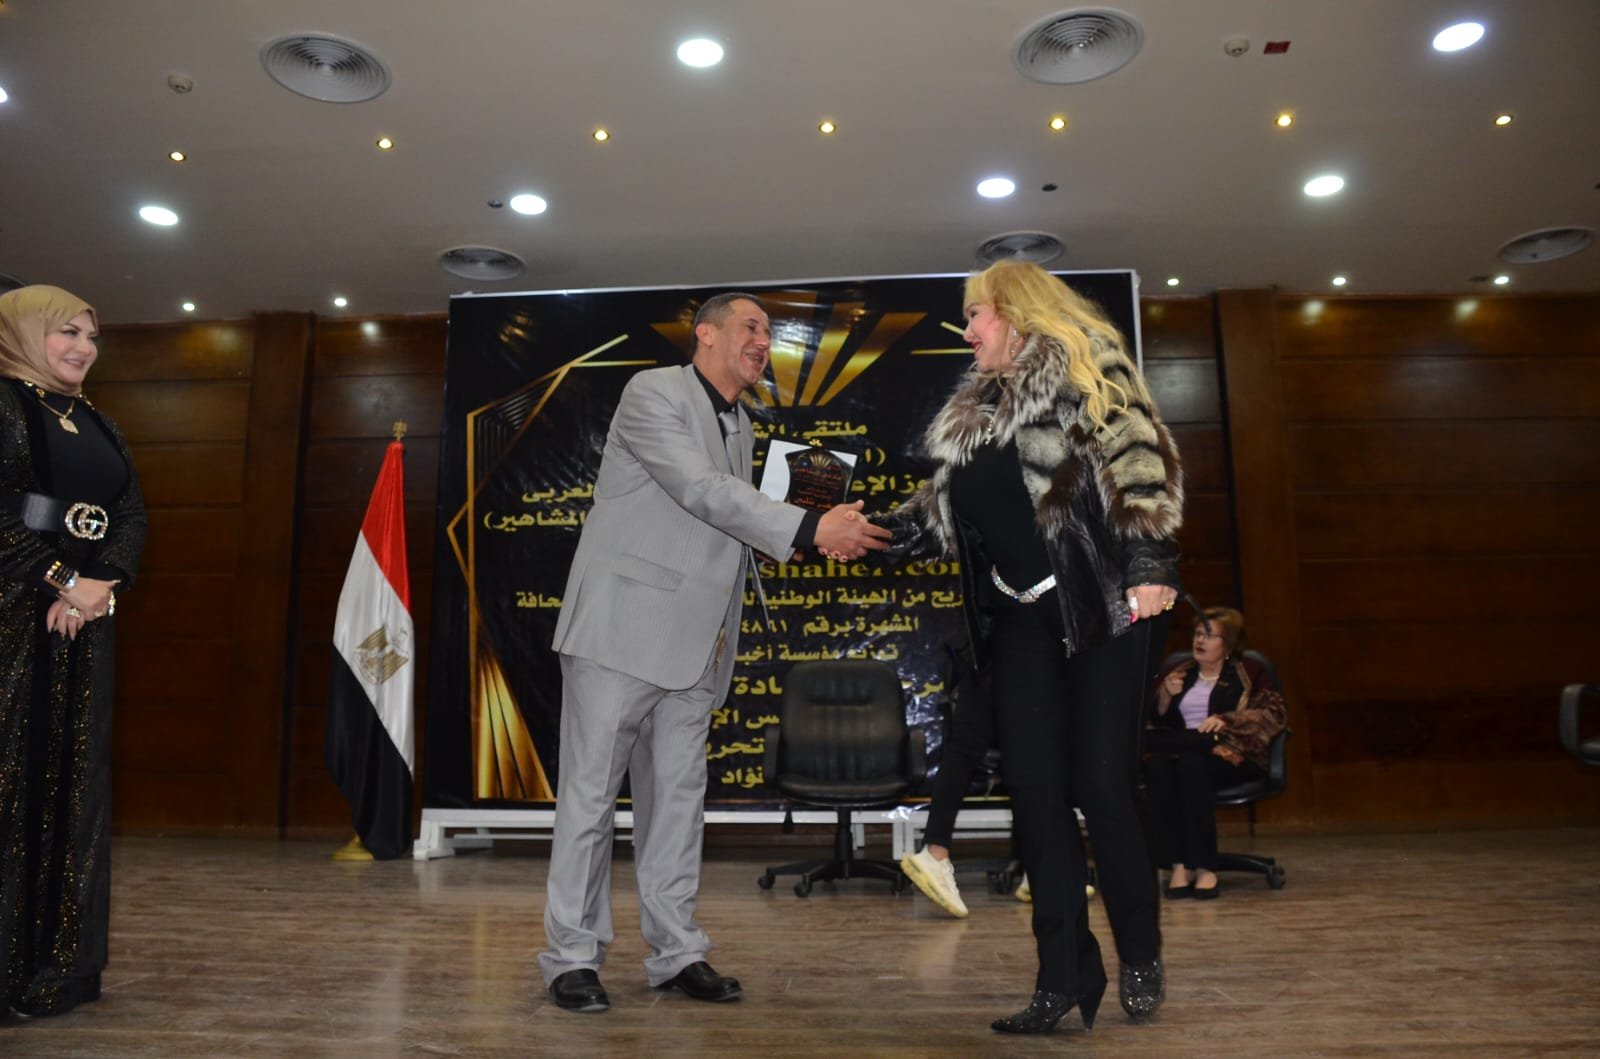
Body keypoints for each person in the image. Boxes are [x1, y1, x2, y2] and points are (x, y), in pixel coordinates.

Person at [539, 292, 891, 1014]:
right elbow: (700, 490)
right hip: (621, 632)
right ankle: (571, 957)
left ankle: (676, 953)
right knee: (590, 799)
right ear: (705, 333)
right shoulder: (653, 392)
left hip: (699, 645)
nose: (764, 339)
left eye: (769, 331)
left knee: (678, 804)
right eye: (750, 326)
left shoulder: (741, 423)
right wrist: (808, 528)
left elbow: (726, 519)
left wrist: (802, 535)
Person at [876, 260, 1183, 1034]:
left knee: (1102, 788)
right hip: (1017, 625)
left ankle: (1140, 951)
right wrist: (858, 531)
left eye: (975, 314)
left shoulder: (1089, 368)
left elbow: (1140, 462)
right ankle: (1062, 976)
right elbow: (939, 512)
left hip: (1099, 610)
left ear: (1015, 312)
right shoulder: (976, 412)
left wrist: (1150, 563)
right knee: (1037, 799)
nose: (968, 331)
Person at [0, 285, 146, 1018]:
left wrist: (99, 583)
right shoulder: (5, 406)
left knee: (73, 789)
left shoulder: (97, 420)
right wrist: (61, 576)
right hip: (12, 618)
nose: (84, 347)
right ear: (24, 333)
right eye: (67, 332)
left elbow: (130, 513)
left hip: (83, 622)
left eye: (91, 335)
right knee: (12, 782)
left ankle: (59, 970)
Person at [1144, 607, 1287, 900]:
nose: (1200, 640)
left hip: (1232, 753)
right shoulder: (1180, 671)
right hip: (1183, 749)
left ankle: (1205, 866)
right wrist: (1164, 698)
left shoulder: (1250, 672)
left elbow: (1274, 713)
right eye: (1197, 634)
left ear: (1228, 644)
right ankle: (1178, 864)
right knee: (1157, 767)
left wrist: (1228, 720)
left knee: (1191, 765)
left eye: (1209, 636)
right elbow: (1154, 722)